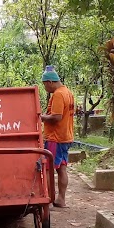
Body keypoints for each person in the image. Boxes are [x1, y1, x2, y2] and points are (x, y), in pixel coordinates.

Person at [40, 65, 74, 208]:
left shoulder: (58, 95)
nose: (45, 88)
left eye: (45, 85)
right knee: (62, 168)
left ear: (49, 82)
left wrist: (41, 117)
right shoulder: (68, 92)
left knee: (49, 169)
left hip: (55, 137)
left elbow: (57, 116)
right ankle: (61, 198)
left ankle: (48, 197)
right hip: (66, 136)